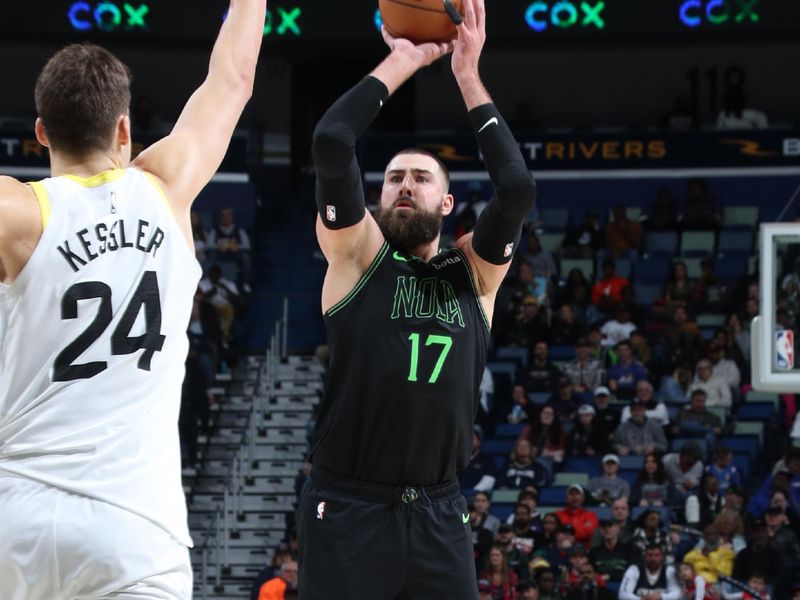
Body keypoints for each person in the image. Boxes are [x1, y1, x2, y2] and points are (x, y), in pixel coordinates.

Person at [0, 4, 266, 598]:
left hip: (16, 517)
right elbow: (233, 79)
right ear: (125, 128)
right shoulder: (168, 187)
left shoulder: (17, 214)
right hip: (133, 528)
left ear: (40, 132)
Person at [300, 1, 537, 597]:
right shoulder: (358, 258)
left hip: (439, 512)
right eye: (394, 178)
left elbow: (516, 188)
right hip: (350, 507)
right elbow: (332, 140)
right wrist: (401, 60)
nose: (405, 184)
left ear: (448, 205)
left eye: (421, 178)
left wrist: (467, 75)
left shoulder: (474, 277)